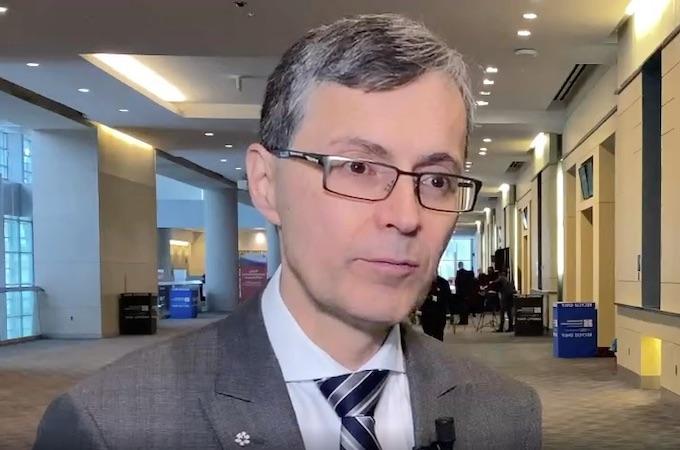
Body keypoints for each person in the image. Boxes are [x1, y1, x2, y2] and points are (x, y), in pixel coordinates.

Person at [33, 14, 541, 450]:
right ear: (266, 183)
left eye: (437, 180)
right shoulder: (111, 424)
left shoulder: (505, 413)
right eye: (358, 168)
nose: (406, 216)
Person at [419, 274, 453, 341]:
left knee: (438, 336)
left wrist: (434, 298)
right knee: (427, 336)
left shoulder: (443, 282)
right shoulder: (422, 282)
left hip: (439, 314)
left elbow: (448, 297)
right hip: (427, 314)